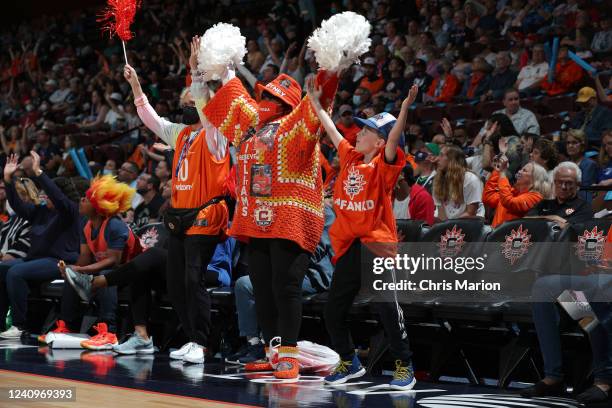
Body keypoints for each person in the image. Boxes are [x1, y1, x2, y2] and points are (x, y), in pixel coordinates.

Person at [200, 29, 341, 379]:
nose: (261, 98)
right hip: (257, 220)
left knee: (286, 286)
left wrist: (332, 66)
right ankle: (272, 350)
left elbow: (319, 102)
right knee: (260, 287)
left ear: (284, 103)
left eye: (268, 96)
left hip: (292, 218)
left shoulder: (297, 125)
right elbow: (233, 94)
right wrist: (211, 65)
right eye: (262, 94)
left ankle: (290, 354)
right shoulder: (251, 127)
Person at [123, 36, 230, 365]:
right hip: (180, 215)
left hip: (206, 213)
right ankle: (192, 339)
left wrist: (196, 72)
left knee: (191, 277)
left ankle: (201, 343)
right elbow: (150, 118)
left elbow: (202, 100)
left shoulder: (216, 134)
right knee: (175, 281)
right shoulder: (179, 134)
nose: (185, 103)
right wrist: (137, 85)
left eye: (190, 100)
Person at [309, 83, 419, 389]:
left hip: (377, 247)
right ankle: (349, 361)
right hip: (349, 246)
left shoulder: (383, 167)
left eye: (366, 131)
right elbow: (331, 130)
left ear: (379, 141)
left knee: (386, 306)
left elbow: (394, 137)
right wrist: (316, 104)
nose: (358, 133)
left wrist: (405, 108)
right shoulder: (350, 158)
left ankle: (404, 365)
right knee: (333, 310)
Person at [0, 152, 88, 339]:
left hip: (58, 261)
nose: (44, 196)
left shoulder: (69, 212)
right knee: (2, 269)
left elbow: (57, 196)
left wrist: (38, 172)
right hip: (36, 259)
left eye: (48, 194)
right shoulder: (40, 212)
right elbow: (18, 206)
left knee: (16, 272)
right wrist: (8, 180)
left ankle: (19, 325)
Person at [483, 158, 550, 227]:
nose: (519, 171)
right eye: (521, 169)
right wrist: (497, 171)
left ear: (534, 178)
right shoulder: (512, 192)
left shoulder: (535, 197)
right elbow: (489, 198)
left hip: (509, 236)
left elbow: (510, 202)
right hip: (496, 235)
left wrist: (502, 173)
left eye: (524, 170)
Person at [526, 161, 593, 227]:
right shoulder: (543, 204)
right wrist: (554, 218)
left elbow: (571, 228)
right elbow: (526, 220)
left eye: (569, 183)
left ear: (578, 185)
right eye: (559, 182)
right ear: (554, 182)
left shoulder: (584, 208)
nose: (563, 187)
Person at [433, 145, 485, 220]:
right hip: (450, 226)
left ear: (452, 160)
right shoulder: (438, 180)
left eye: (441, 155)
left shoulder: (470, 179)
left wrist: (450, 225)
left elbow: (471, 213)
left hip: (472, 224)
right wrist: (445, 226)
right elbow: (441, 213)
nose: (437, 159)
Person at [565, 129, 598, 203]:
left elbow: (586, 190)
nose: (570, 146)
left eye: (574, 143)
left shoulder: (589, 164)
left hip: (581, 202)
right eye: (568, 143)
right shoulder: (564, 164)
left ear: (582, 145)